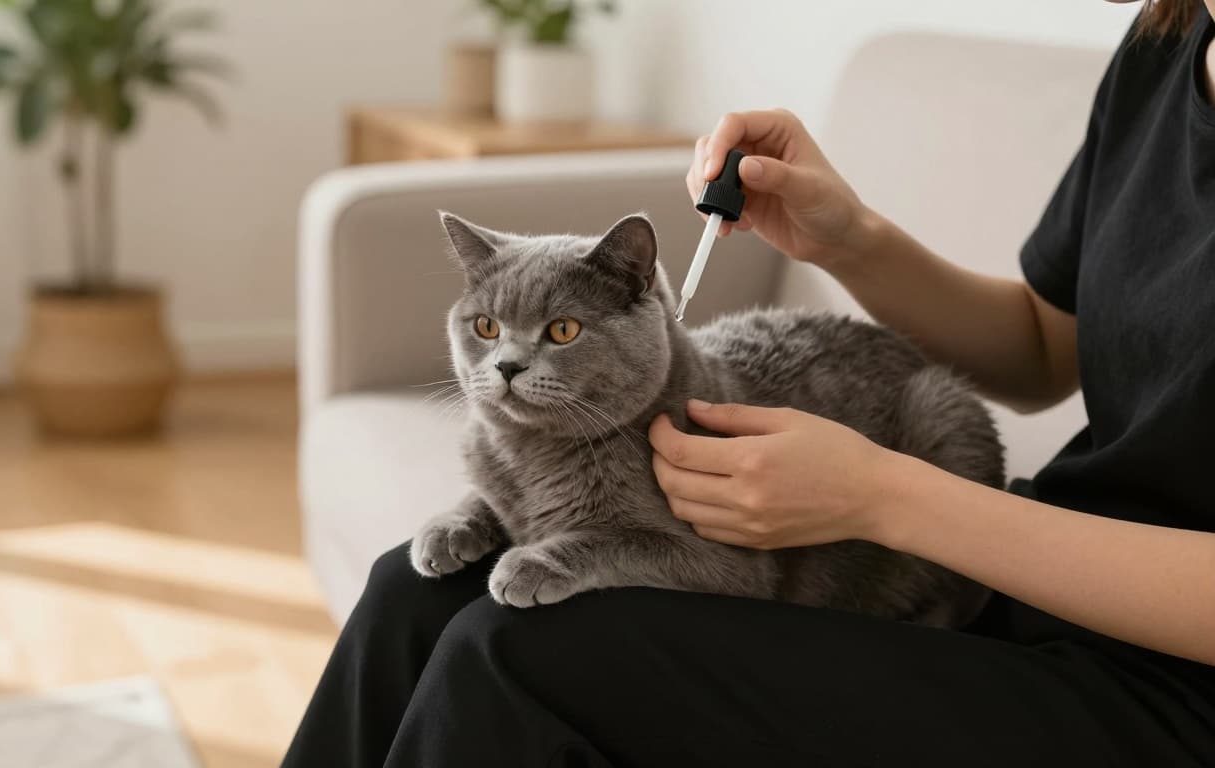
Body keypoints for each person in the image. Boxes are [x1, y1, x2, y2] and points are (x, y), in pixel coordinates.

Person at [283, 0, 1215, 764]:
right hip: (1038, 584)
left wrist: (886, 497)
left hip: (1169, 686)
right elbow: (1038, 348)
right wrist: (848, 238)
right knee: (417, 594)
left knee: (520, 652)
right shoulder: (1169, 41)